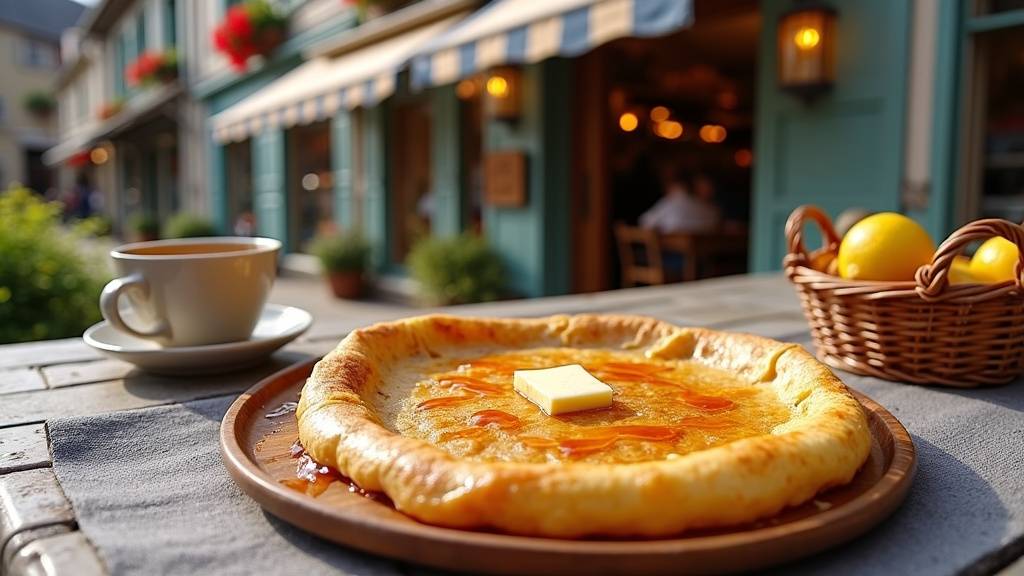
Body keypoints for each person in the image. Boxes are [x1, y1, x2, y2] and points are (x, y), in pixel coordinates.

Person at [639, 169, 720, 234]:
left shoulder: (678, 201)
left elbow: (645, 221)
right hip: (697, 252)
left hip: (670, 251)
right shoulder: (715, 210)